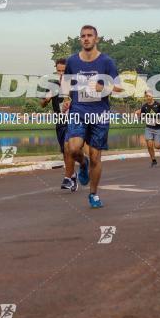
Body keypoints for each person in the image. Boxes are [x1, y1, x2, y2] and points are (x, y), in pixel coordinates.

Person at [62, 25, 123, 208]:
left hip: (99, 114)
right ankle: (83, 162)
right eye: (83, 36)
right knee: (73, 149)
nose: (86, 39)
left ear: (96, 39)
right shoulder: (72, 61)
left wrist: (102, 88)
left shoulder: (106, 62)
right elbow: (66, 82)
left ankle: (93, 194)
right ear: (80, 39)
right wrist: (66, 98)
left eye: (89, 36)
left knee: (96, 157)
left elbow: (119, 89)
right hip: (78, 111)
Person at [41, 58, 74, 190]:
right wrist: (46, 99)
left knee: (68, 149)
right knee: (64, 152)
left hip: (73, 119)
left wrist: (71, 103)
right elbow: (42, 104)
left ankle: (67, 178)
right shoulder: (52, 85)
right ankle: (72, 175)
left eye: (63, 71)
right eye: (58, 70)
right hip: (60, 120)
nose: (61, 73)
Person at [135, 90, 160, 167]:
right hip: (148, 128)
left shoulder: (158, 105)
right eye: (146, 96)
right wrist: (139, 116)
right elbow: (142, 117)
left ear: (152, 96)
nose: (148, 97)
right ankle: (153, 160)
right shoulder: (144, 106)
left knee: (156, 146)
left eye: (149, 96)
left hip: (158, 128)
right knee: (149, 145)